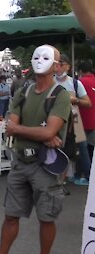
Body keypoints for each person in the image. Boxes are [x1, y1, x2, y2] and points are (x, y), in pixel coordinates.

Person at [0, 45, 71, 254]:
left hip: (46, 166)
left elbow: (41, 131)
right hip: (20, 163)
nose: (39, 60)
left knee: (46, 218)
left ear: (56, 65)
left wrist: (35, 132)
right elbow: (11, 126)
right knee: (11, 215)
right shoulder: (23, 92)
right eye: (36, 56)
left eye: (46, 57)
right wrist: (42, 134)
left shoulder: (60, 95)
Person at [54, 54, 92, 186]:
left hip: (75, 119)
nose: (58, 67)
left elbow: (88, 103)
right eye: (56, 64)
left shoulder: (75, 83)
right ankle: (58, 175)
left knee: (82, 146)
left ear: (68, 67)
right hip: (55, 119)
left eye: (61, 64)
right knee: (56, 146)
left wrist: (74, 100)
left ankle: (87, 175)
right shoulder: (51, 82)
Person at [78, 61, 95, 162]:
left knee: (83, 150)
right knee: (92, 148)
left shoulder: (79, 83)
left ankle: (86, 173)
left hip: (81, 122)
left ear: (80, 71)